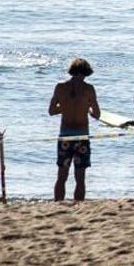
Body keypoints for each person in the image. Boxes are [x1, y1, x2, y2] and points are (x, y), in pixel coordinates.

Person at [48, 58, 101, 201]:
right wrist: (88, 109)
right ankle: (79, 206)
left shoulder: (60, 87)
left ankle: (58, 204)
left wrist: (64, 107)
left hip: (65, 135)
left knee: (62, 176)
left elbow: (51, 111)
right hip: (82, 136)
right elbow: (97, 114)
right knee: (80, 177)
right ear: (86, 72)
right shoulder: (89, 89)